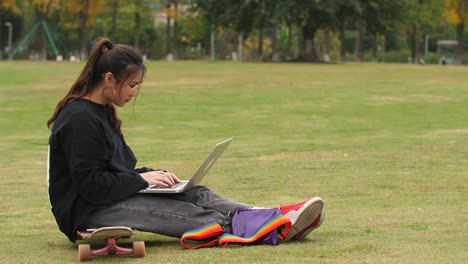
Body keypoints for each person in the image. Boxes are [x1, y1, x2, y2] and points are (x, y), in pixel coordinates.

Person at [47, 37, 325, 244]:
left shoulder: (101, 113)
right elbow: (91, 186)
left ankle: (266, 213)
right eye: (132, 85)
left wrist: (153, 176)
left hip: (105, 198)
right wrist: (143, 181)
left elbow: (112, 171)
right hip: (87, 211)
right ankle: (270, 228)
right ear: (109, 79)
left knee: (194, 193)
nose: (134, 93)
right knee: (187, 212)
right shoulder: (80, 119)